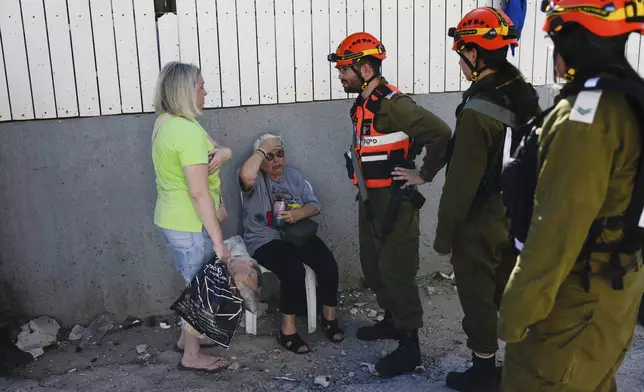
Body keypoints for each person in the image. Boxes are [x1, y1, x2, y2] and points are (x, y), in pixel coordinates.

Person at [498, 1, 644, 391]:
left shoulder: (586, 116)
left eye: (556, 44)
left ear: (579, 44)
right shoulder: (623, 101)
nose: (555, 58)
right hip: (611, 284)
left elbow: (556, 229)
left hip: (575, 297)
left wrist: (516, 310)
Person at [328, 32, 452, 378]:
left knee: (397, 272)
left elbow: (440, 133)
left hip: (395, 201)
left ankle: (410, 347)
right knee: (372, 265)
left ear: (365, 69)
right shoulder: (364, 102)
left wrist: (423, 174)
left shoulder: (393, 103)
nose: (341, 76)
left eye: (345, 70)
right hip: (369, 199)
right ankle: (392, 320)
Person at [433, 8, 542, 391]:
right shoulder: (522, 93)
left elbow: (461, 183)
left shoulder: (479, 110)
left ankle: (483, 371)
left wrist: (444, 237)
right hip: (517, 213)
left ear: (476, 54)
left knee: (479, 296)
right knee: (507, 290)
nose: (460, 61)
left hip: (481, 219)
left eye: (462, 52)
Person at [152, 62, 233, 373]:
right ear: (186, 90)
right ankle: (192, 356)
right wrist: (219, 243)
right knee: (201, 289)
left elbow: (216, 148)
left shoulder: (168, 121)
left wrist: (224, 152)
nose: (206, 89)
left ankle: (187, 341)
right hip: (188, 223)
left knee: (193, 284)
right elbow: (199, 194)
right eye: (201, 85)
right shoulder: (186, 131)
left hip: (171, 219)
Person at [239, 133, 344, 354]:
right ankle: (287, 331)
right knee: (293, 269)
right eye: (269, 156)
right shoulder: (255, 180)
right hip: (264, 240)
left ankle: (328, 317)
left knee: (327, 263)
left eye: (280, 154)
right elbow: (245, 175)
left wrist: (298, 215)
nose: (276, 160)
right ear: (260, 158)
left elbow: (314, 205)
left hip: (296, 234)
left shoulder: (294, 176)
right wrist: (261, 151)